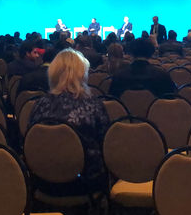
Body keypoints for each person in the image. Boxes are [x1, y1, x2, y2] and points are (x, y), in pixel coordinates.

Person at [29, 49, 110, 196]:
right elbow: (106, 143)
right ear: (82, 74)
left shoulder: (39, 105)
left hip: (43, 180)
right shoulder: (93, 105)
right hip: (85, 182)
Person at [108, 37, 176, 98]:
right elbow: (172, 99)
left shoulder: (119, 76)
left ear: (131, 53)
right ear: (151, 53)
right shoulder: (162, 75)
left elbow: (111, 102)